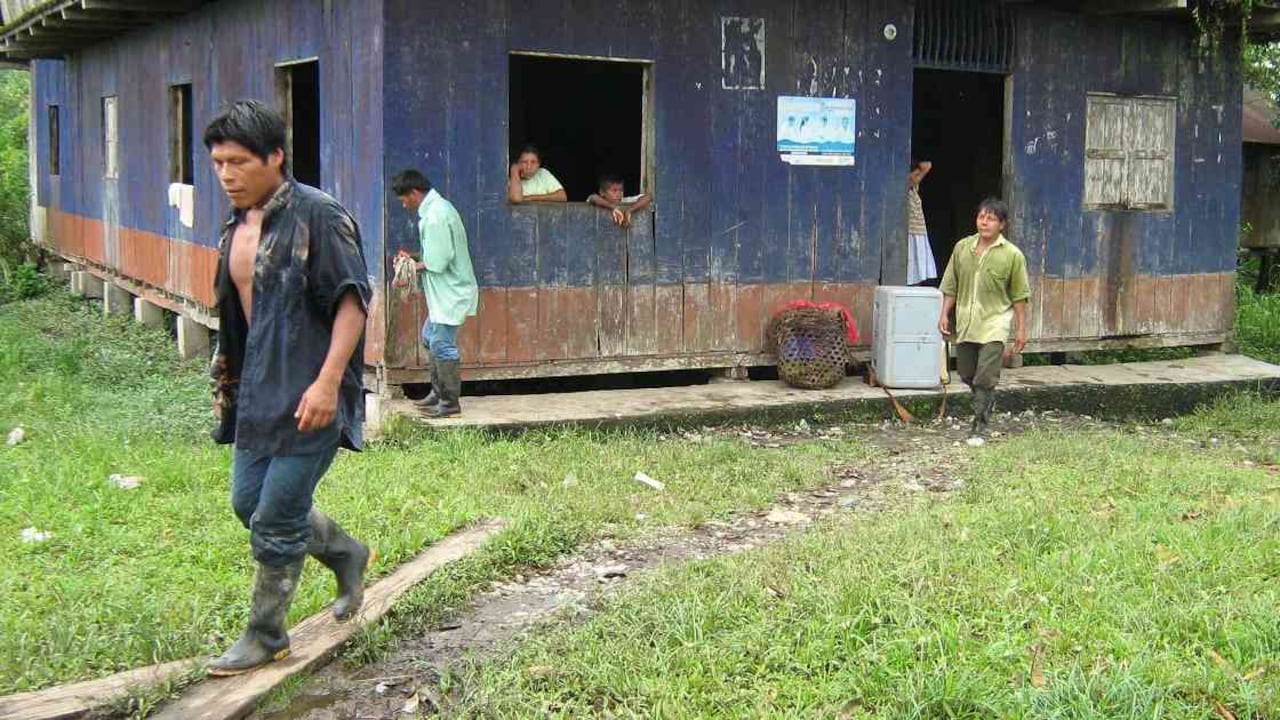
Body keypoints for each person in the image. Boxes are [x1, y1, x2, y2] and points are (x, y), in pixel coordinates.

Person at [204, 100, 374, 676]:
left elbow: (353, 302)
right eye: (219, 162)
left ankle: (266, 633)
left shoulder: (318, 216)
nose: (227, 174)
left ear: (275, 157)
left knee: (276, 515)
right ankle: (347, 552)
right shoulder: (237, 222)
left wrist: (328, 383)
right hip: (256, 388)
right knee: (248, 503)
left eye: (239, 162)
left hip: (312, 390)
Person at [938, 197, 1031, 442]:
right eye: (981, 217)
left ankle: (979, 426)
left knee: (985, 376)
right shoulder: (962, 248)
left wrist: (1021, 329)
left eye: (991, 218)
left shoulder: (1012, 255)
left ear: (1002, 224)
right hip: (967, 320)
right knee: (967, 373)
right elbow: (951, 285)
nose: (984, 222)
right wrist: (944, 314)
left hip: (995, 323)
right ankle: (985, 401)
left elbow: (1020, 296)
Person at [392, 169, 478, 417]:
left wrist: (409, 267)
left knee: (442, 344)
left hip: (451, 292)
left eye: (404, 198)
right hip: (446, 293)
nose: (404, 203)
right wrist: (413, 258)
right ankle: (438, 393)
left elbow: (438, 261)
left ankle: (450, 403)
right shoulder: (438, 209)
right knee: (430, 336)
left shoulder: (436, 216)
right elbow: (436, 254)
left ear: (414, 193)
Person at [907, 158, 938, 286]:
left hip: (919, 231)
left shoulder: (914, 188)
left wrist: (915, 165)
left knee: (918, 269)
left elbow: (927, 165)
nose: (917, 178)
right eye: (914, 175)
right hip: (910, 231)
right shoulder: (906, 184)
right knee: (911, 268)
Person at [586, 174, 652, 228]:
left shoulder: (625, 201)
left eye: (621, 190)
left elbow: (648, 197)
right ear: (602, 192)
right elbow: (593, 197)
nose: (618, 194)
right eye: (614, 191)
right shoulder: (600, 201)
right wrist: (613, 207)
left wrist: (629, 210)